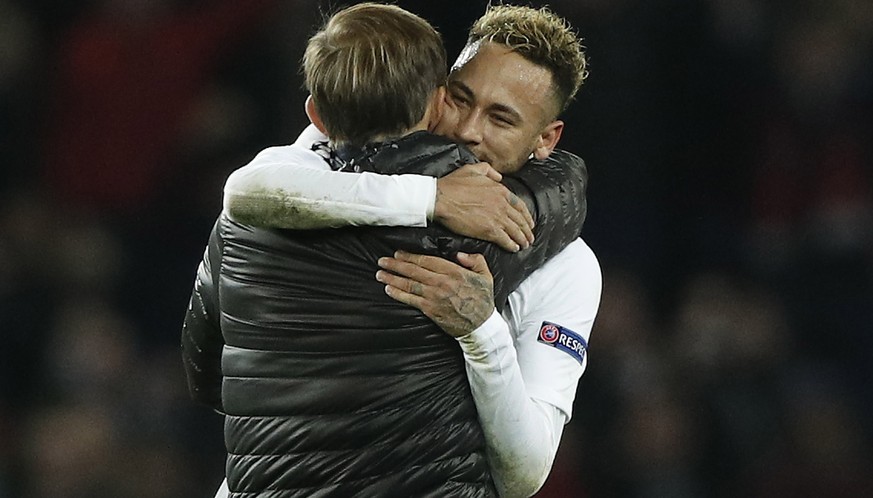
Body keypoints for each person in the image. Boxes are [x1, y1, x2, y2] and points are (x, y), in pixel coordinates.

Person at [182, 3, 593, 497]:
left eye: (501, 119)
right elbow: (250, 188)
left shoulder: (565, 266)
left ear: (546, 139)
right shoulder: (301, 179)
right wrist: (431, 197)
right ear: (435, 97)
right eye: (461, 100)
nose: (467, 131)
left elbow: (526, 473)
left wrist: (483, 332)